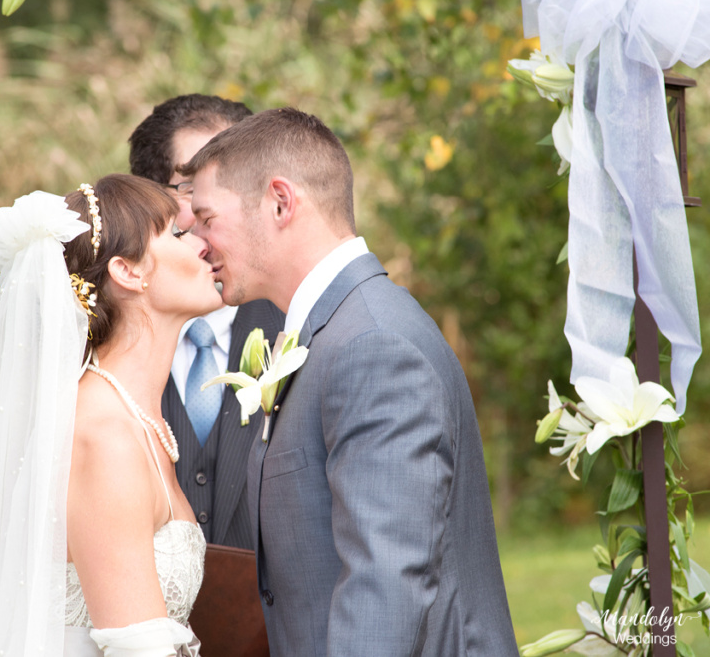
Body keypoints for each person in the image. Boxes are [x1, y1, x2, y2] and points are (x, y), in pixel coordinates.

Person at [181, 108, 518, 656]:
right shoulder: (333, 332)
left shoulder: (372, 346)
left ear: (280, 202)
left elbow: (385, 585)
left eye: (206, 218)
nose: (197, 241)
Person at [0, 174, 222, 656]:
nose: (202, 242)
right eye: (178, 234)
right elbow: (140, 648)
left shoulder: (137, 418)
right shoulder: (104, 433)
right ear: (128, 271)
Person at [129, 95, 284, 549]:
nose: (221, 207)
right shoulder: (95, 348)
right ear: (148, 202)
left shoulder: (298, 328)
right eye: (194, 185)